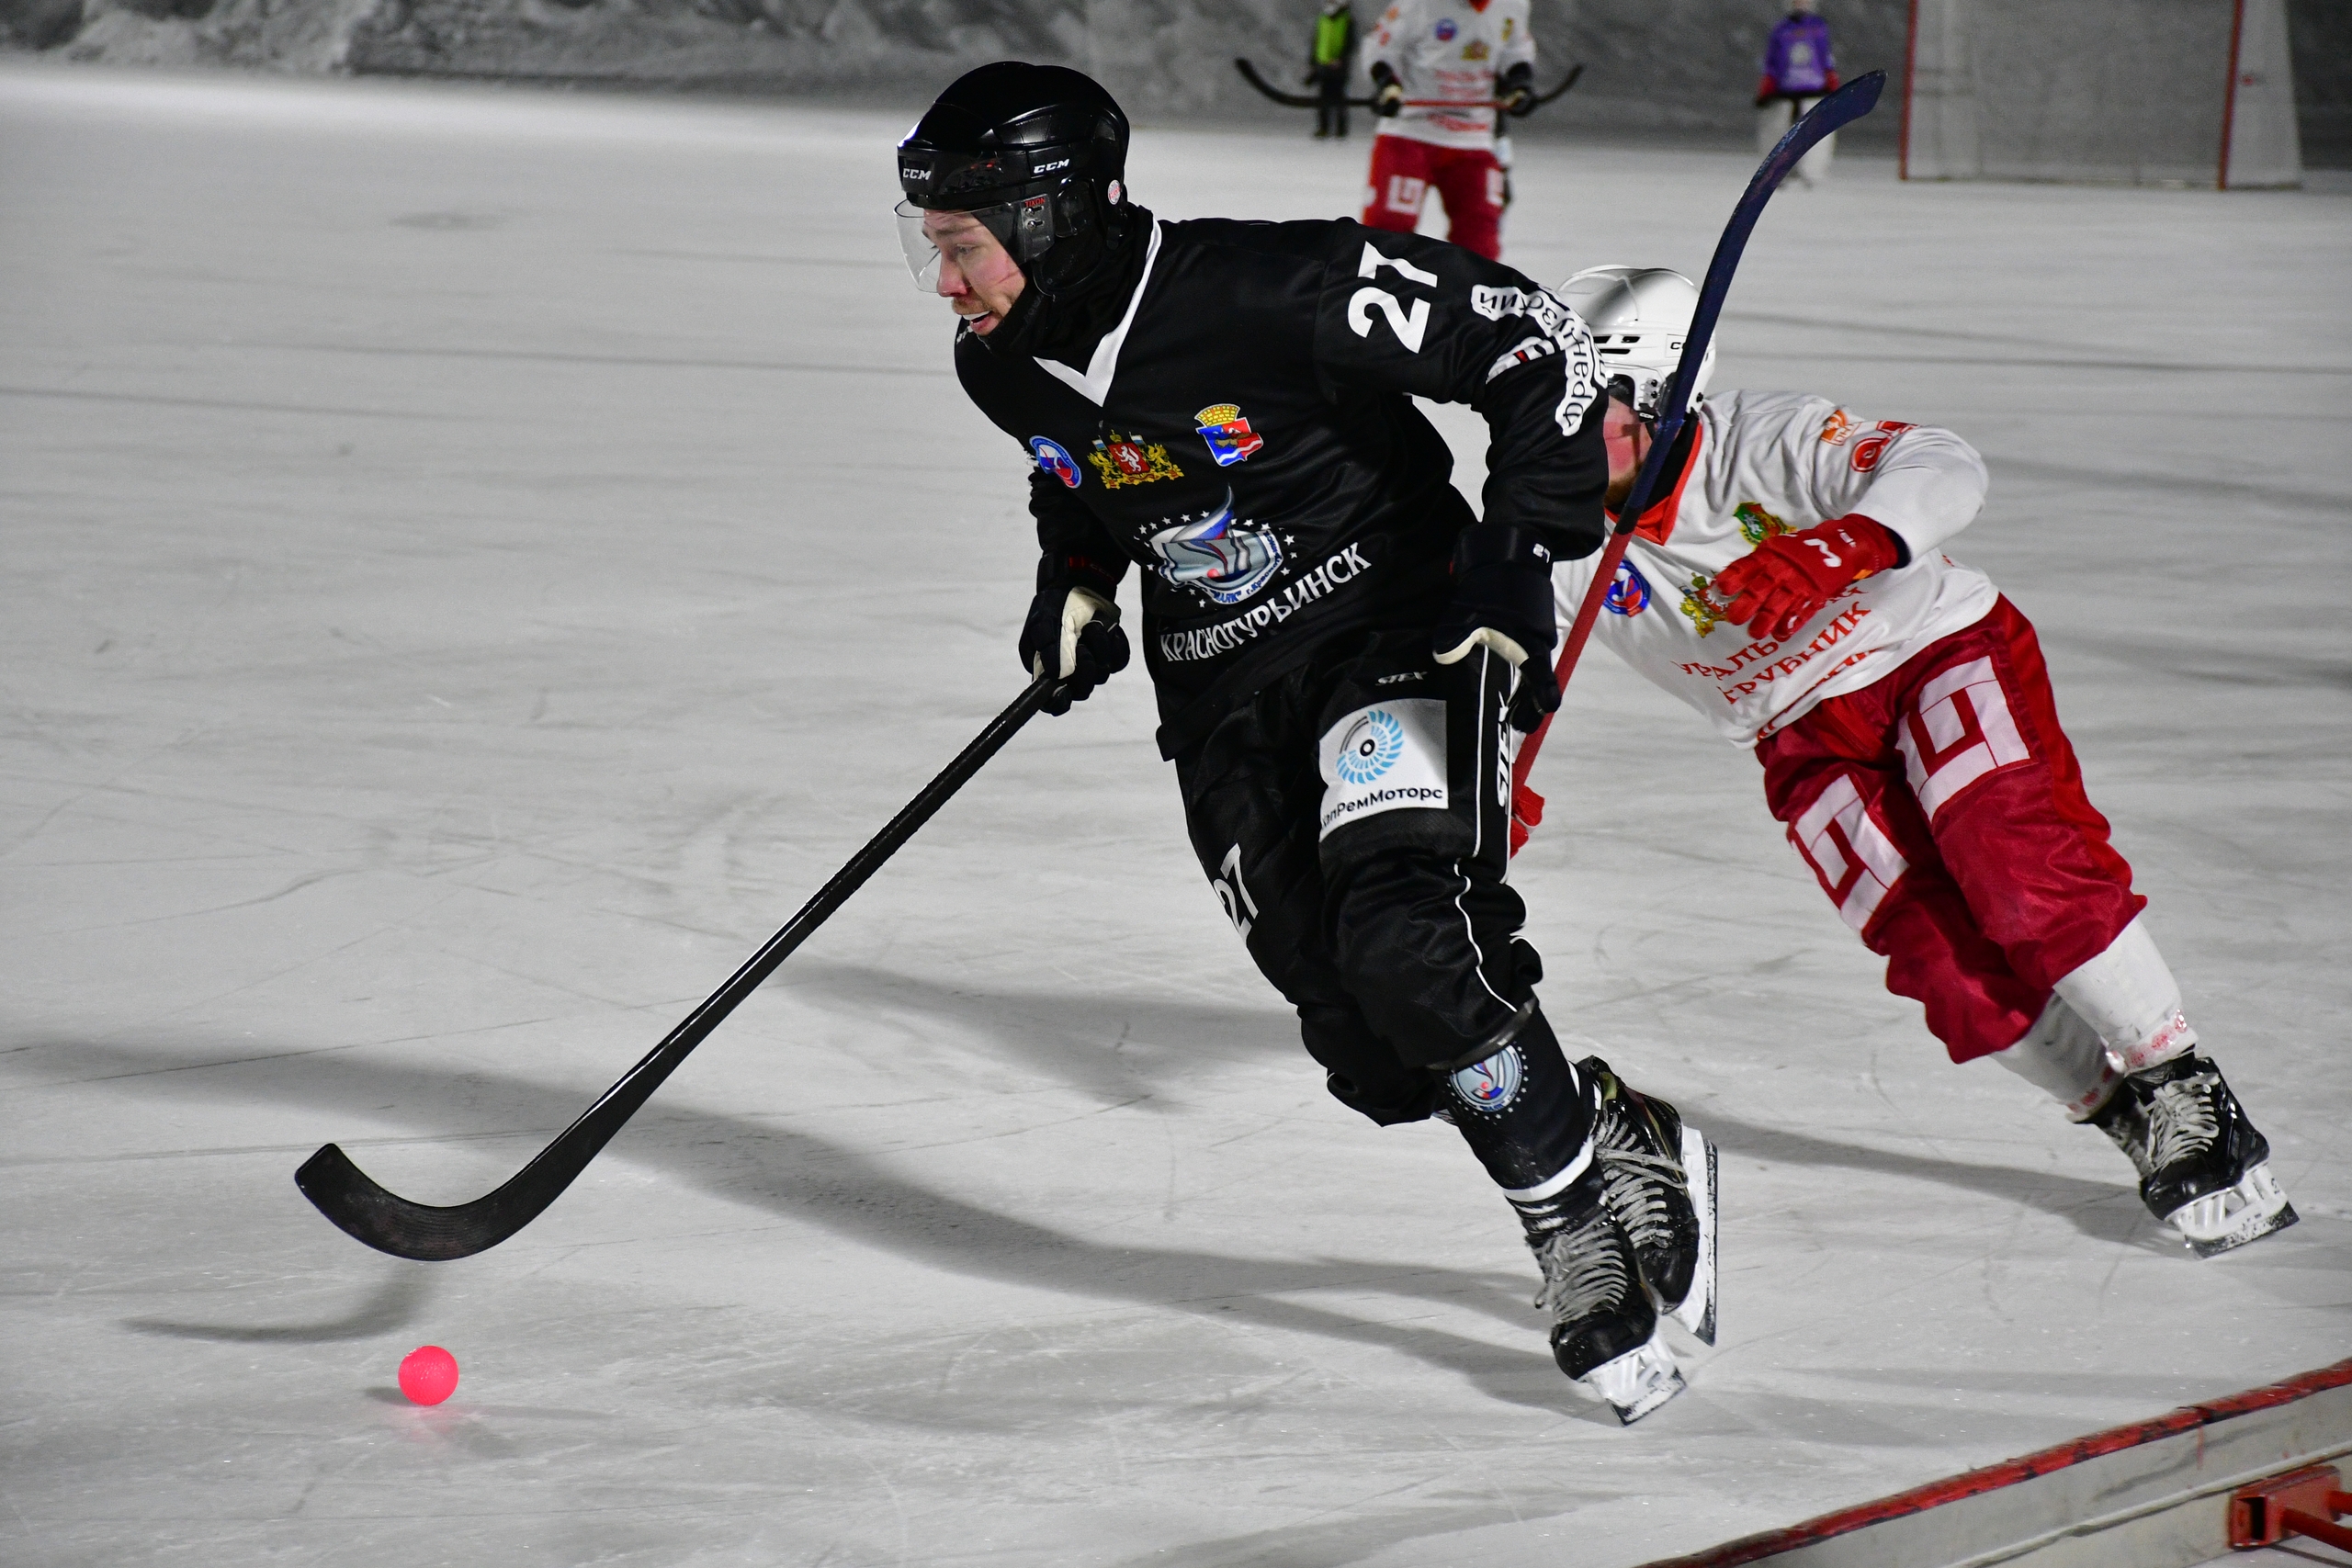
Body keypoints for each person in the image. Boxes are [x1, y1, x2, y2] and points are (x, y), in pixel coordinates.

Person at [891, 62, 1716, 1422]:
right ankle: (1601, 1122)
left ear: (1050, 215)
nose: (944, 282)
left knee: (1409, 941)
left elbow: (1532, 347)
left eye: (962, 247)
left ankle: (1572, 1226)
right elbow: (1088, 471)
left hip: (1394, 624)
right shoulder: (1000, 361)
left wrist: (1516, 556)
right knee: (1370, 1045)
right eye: (933, 249)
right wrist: (1077, 580)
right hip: (1222, 690)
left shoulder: (1268, 286)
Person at [1524, 265, 2296, 1259]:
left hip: (1925, 648)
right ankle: (2129, 1116)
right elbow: (1506, 662)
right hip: (1796, 737)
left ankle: (2182, 1082)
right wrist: (1486, 775)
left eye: (1585, 407)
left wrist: (1846, 543)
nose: (1552, 432)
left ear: (1662, 398)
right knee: (1943, 964)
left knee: (2015, 863)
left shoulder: (1760, 436)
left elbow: (1944, 462)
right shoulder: (1551, 535)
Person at [1358, 0, 1536, 260]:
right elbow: (1380, 48)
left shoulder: (1513, 5)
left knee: (1480, 241)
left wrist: (1520, 84)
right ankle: (1378, 285)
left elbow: (1515, 52)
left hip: (1473, 137)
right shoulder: (1418, 4)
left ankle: (1470, 287)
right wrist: (1387, 85)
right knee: (1386, 232)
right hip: (1410, 131)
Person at [1756, 0, 1838, 185]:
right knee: (1777, 131)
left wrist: (1831, 81)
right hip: (1784, 91)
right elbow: (1772, 62)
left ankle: (1813, 172)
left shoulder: (1818, 28)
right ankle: (1776, 173)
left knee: (1816, 134)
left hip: (1814, 90)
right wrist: (1768, 86)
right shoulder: (1782, 30)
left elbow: (1826, 57)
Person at [1306, 0, 1358, 140]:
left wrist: (1340, 59)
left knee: (1338, 97)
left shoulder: (1347, 20)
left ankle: (1341, 129)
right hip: (1322, 65)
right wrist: (1313, 62)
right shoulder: (1322, 18)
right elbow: (1317, 40)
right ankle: (1323, 128)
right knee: (1323, 98)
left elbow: (1351, 43)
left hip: (1339, 67)